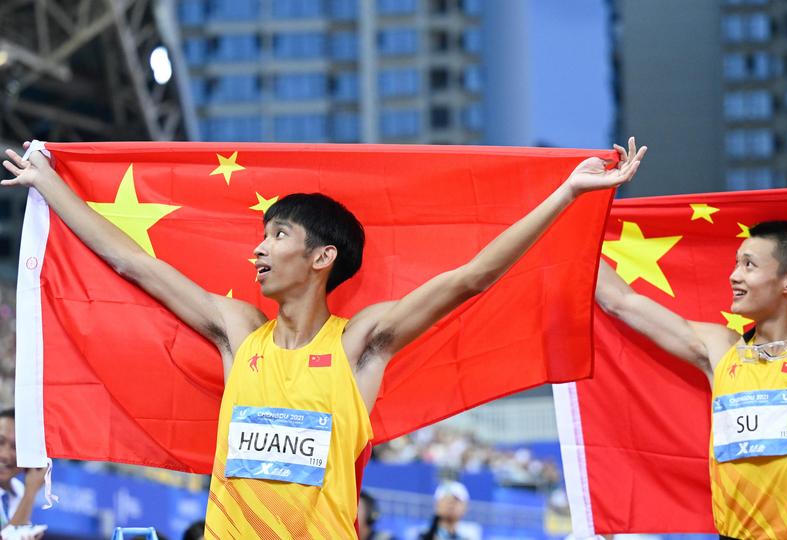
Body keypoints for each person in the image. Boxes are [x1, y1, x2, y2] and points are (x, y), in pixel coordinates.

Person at [3, 138, 646, 539]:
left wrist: (566, 193)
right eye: (263, 235)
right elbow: (133, 264)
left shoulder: (359, 344)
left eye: (278, 236)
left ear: (321, 257)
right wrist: (49, 184)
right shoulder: (237, 332)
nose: (258, 248)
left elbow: (471, 279)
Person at [595, 220, 787, 539]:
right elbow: (621, 302)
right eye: (736, 263)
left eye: (749, 265)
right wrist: (565, 207)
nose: (734, 276)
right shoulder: (718, 349)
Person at [0, 409, 46, 540]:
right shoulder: (26, 493)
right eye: (0, 441)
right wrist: (30, 492)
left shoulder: (19, 490)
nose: (4, 455)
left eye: (16, 447)